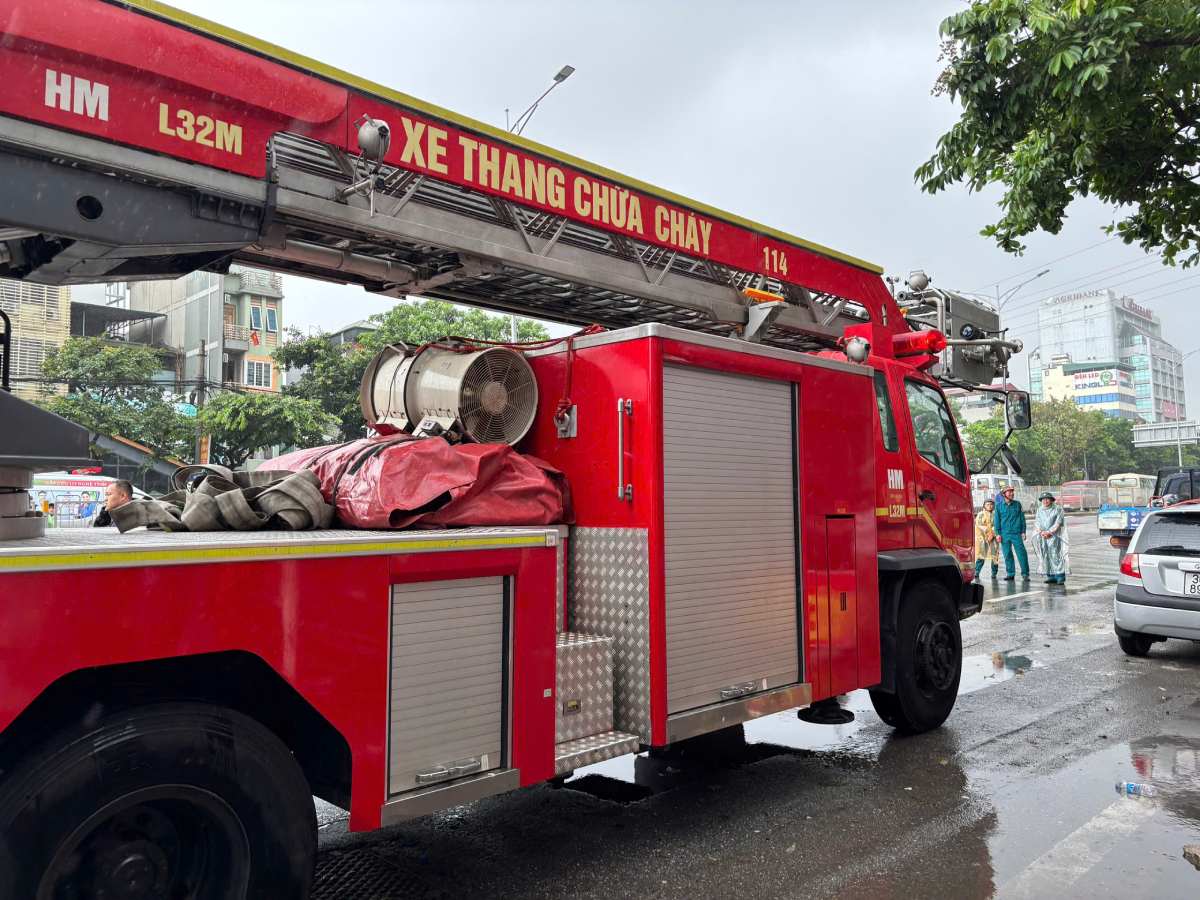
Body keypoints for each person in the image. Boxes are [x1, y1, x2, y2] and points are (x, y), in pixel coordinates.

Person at [993, 485, 1029, 581]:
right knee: (1007, 554)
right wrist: (997, 534)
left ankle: (1025, 574)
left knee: (1022, 554)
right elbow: (996, 521)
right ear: (1004, 494)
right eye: (1009, 492)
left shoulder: (1017, 504)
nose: (1012, 493)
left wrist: (1023, 531)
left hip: (1016, 533)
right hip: (1004, 534)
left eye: (1012, 491)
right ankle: (1010, 573)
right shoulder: (998, 506)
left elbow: (1022, 519)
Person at [1034, 492, 1069, 585]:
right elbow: (1037, 522)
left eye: (1047, 499)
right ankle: (1050, 575)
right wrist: (1041, 532)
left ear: (1051, 500)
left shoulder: (1058, 509)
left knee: (1055, 555)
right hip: (1043, 536)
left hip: (1054, 536)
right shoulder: (1039, 510)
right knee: (1046, 555)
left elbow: (1058, 522)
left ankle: (1060, 576)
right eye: (1043, 499)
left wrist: (1050, 532)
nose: (1045, 501)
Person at [974, 498, 1000, 579]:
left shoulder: (996, 514)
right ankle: (976, 571)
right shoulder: (981, 514)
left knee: (995, 556)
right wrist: (987, 535)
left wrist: (992, 534)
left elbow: (997, 525)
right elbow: (979, 525)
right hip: (983, 538)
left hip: (993, 538)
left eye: (991, 504)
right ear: (984, 506)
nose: (990, 506)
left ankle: (994, 573)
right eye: (988, 504)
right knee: (981, 555)